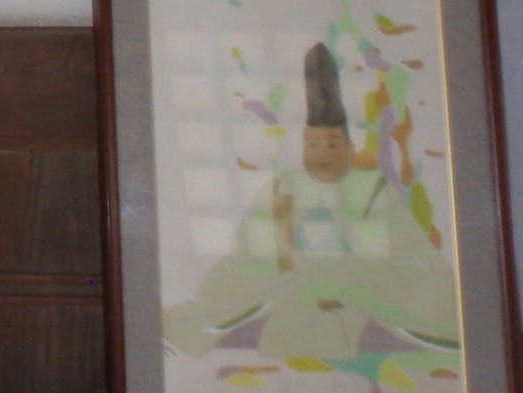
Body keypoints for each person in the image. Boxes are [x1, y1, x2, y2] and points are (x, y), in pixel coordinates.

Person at [162, 43, 459, 362]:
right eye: (313, 144)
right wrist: (295, 270)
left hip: (359, 283)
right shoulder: (283, 186)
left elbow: (402, 253)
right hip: (292, 282)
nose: (322, 155)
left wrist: (345, 279)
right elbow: (256, 254)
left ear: (349, 149)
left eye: (333, 145)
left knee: (425, 302)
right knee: (230, 296)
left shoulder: (372, 188)